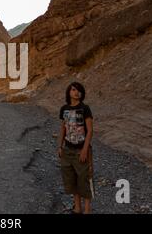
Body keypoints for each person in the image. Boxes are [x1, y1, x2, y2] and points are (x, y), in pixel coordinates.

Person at [58, 82, 94, 214]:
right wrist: (60, 146)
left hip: (81, 150)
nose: (76, 92)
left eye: (78, 90)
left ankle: (87, 210)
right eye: (73, 90)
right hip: (67, 150)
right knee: (71, 179)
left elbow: (90, 131)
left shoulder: (85, 108)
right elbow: (63, 128)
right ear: (69, 92)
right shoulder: (64, 109)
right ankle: (77, 208)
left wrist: (85, 150)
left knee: (84, 179)